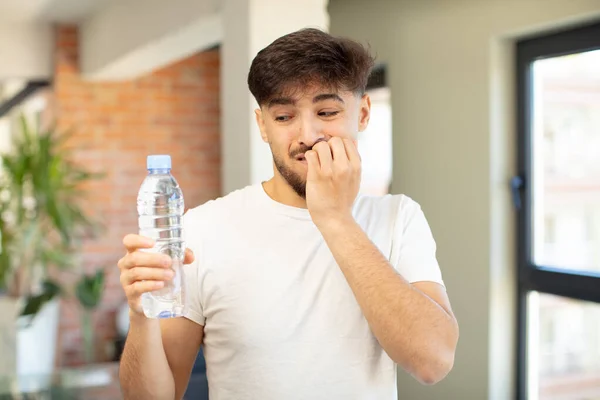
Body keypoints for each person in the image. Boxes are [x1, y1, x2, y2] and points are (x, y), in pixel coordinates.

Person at [118, 28, 459, 400]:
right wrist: (141, 314)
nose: (307, 134)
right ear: (262, 125)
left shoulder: (399, 218)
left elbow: (433, 361)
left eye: (326, 112)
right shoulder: (202, 229)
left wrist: (335, 218)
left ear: (361, 114)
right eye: (283, 117)